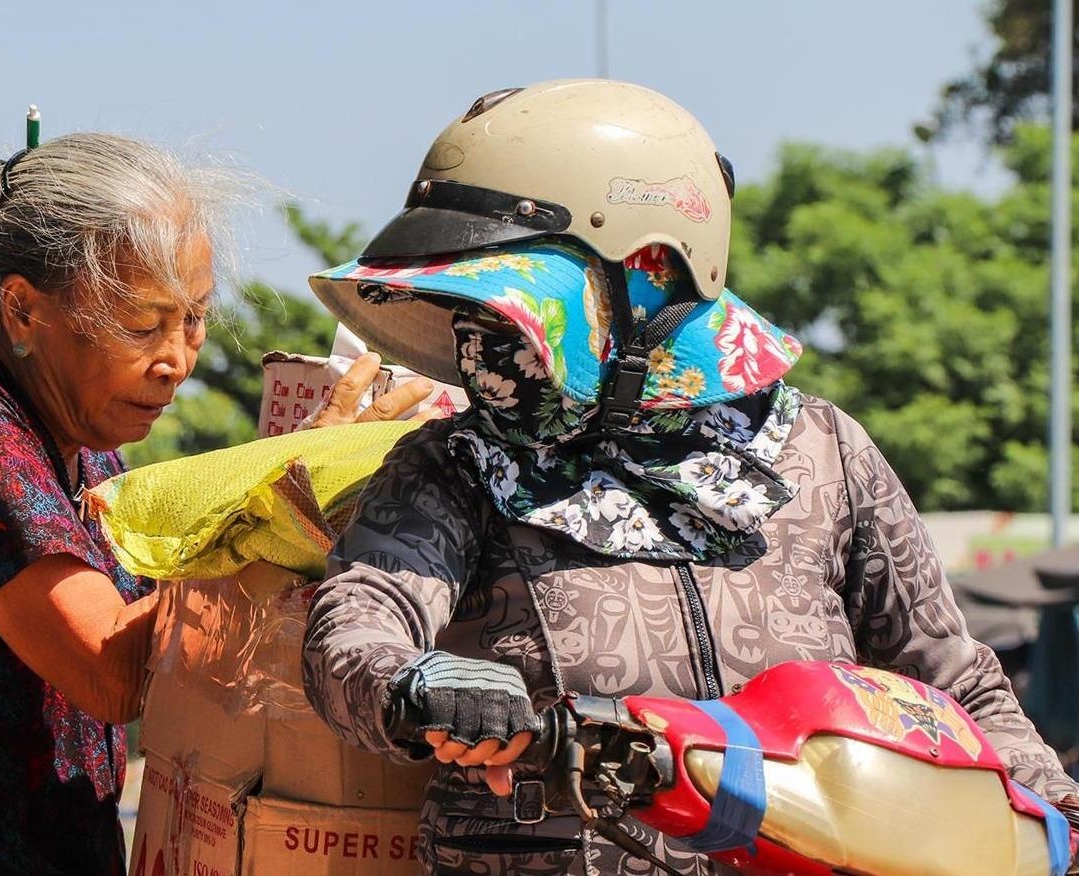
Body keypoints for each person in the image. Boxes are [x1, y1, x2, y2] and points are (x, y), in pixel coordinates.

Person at [301, 79, 1079, 875]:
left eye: (516, 309)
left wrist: (1059, 819)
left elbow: (956, 686)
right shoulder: (450, 463)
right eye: (472, 316)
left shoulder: (822, 450)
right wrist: (415, 679)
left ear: (653, 271)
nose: (479, 353)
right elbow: (356, 625)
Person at [0, 132, 430, 874]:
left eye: (194, 318)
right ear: (22, 310)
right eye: (141, 325)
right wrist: (291, 490)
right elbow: (113, 671)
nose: (177, 360)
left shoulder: (90, 453)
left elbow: (174, 636)